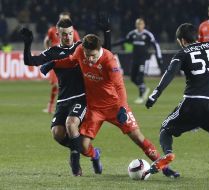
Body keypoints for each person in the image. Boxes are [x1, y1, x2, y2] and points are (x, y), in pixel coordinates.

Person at [40, 34, 179, 178]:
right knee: (83, 146)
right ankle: (95, 154)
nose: (89, 59)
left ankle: (166, 169)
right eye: (87, 55)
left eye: (93, 56)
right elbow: (71, 60)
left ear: (99, 50)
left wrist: (123, 108)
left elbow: (119, 87)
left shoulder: (109, 61)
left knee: (137, 137)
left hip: (115, 106)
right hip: (94, 108)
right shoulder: (81, 51)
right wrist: (54, 64)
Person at [145, 23, 209, 188]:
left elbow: (169, 74)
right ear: (197, 36)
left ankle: (168, 154)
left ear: (181, 41)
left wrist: (154, 95)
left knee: (165, 128)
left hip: (193, 103)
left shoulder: (183, 53)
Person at [20, 19, 89, 176]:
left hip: (81, 97)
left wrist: (106, 32)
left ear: (74, 32)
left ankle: (75, 166)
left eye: (71, 33)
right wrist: (28, 44)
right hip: (63, 99)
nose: (68, 37)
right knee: (57, 134)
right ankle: (77, 148)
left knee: (71, 124)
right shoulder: (52, 52)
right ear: (58, 35)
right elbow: (29, 61)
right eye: (64, 34)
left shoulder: (80, 46)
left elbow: (105, 51)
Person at [112, 18, 163, 104]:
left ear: (144, 25)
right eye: (138, 24)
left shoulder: (147, 35)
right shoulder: (132, 34)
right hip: (135, 59)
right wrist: (112, 45)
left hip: (144, 60)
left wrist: (159, 57)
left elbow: (156, 45)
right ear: (136, 25)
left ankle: (141, 96)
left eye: (141, 24)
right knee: (132, 78)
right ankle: (144, 89)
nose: (139, 26)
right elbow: (124, 41)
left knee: (140, 77)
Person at [43, 12, 81, 114]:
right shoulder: (52, 30)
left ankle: (69, 106)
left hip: (68, 61)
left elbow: (79, 44)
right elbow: (47, 40)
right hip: (56, 60)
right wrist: (48, 52)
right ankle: (50, 105)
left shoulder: (73, 32)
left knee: (65, 84)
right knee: (55, 84)